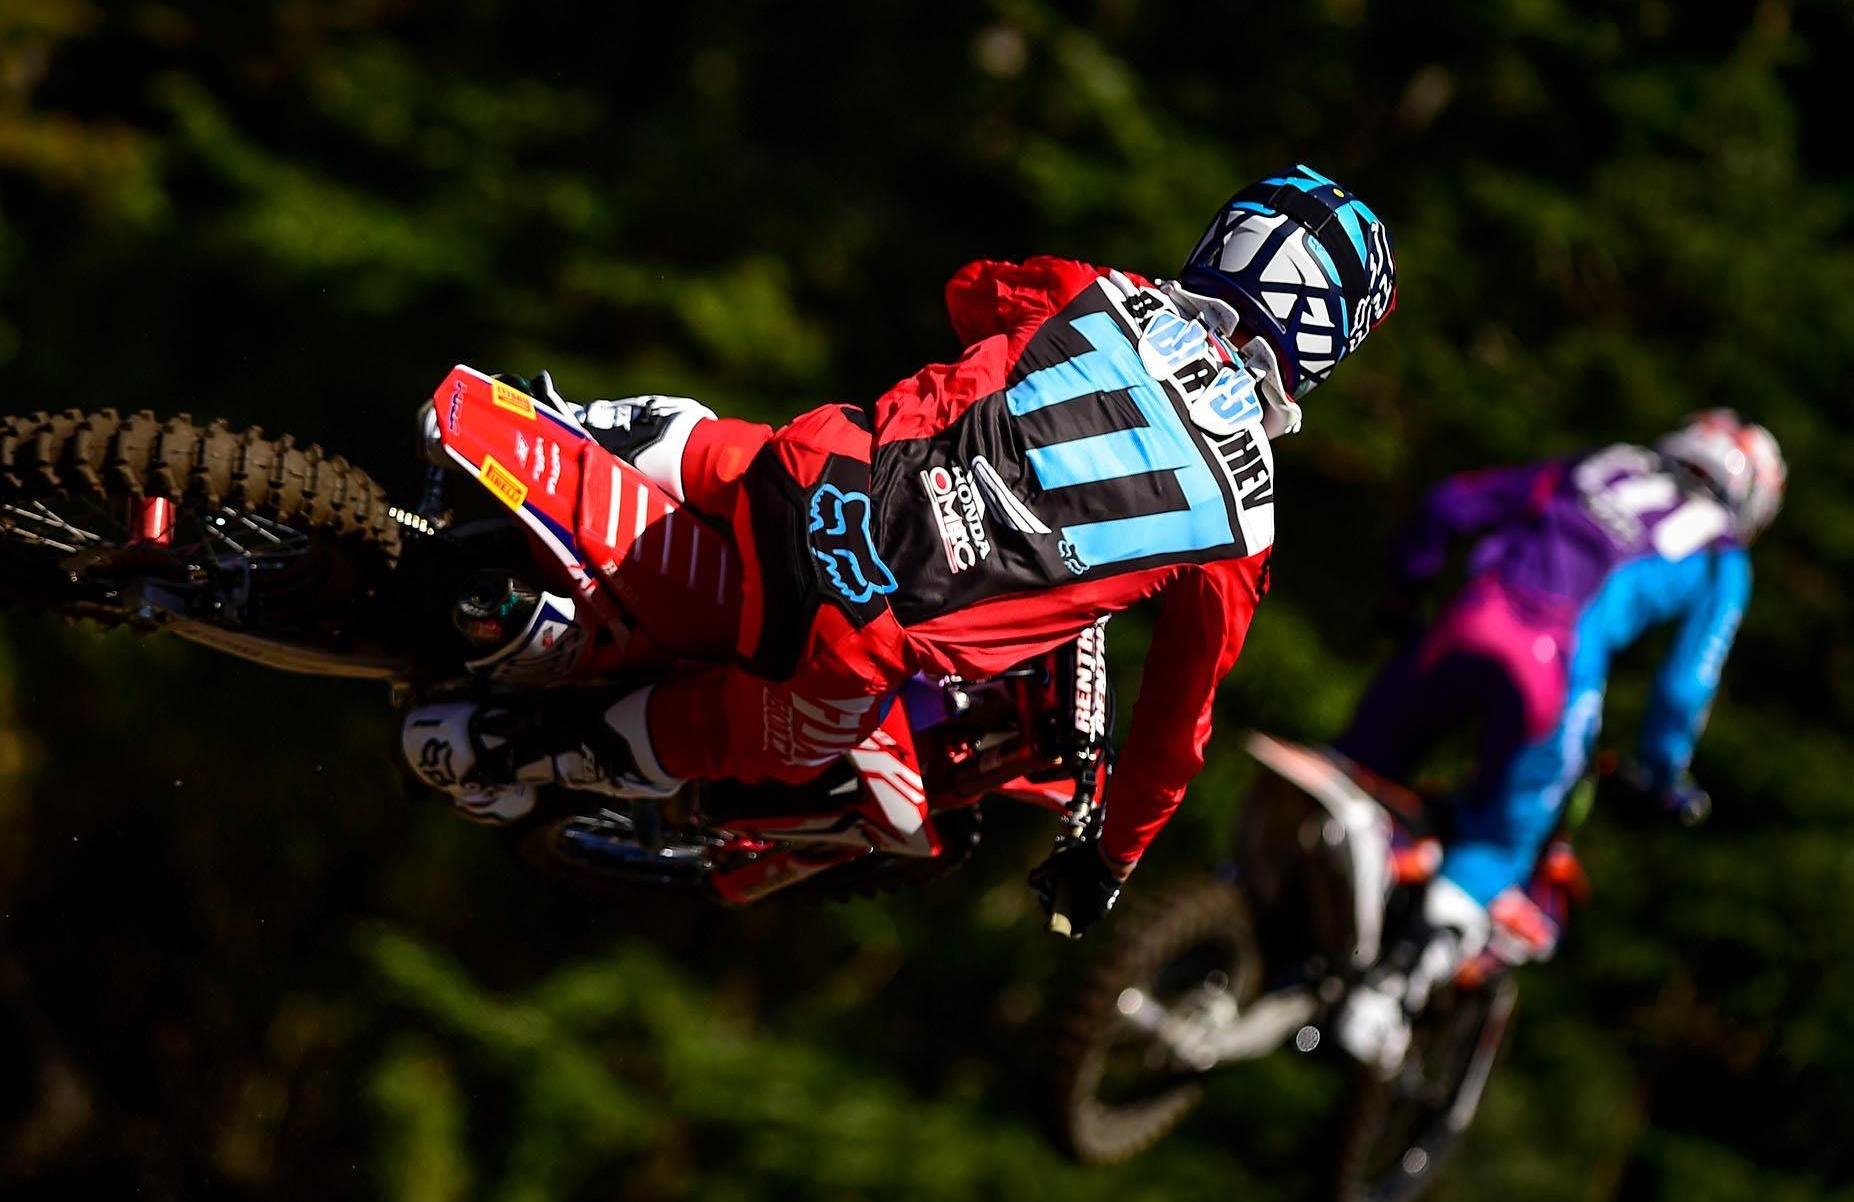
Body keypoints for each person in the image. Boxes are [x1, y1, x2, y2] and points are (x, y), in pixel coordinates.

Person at [404, 165, 1397, 935]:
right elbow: (1176, 726)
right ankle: (526, 751)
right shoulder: (1244, 522)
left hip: (807, 478)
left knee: (711, 438)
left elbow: (970, 292)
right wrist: (1110, 860)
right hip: (859, 637)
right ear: (1327, 341)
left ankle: (561, 423)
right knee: (744, 736)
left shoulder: (1097, 290)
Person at [1333, 411, 1785, 1068]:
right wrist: (1664, 773)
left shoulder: (1605, 463)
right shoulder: (1723, 556)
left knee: (1359, 766)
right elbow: (1686, 686)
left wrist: (1404, 595)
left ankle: (1254, 879)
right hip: (1554, 668)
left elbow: (1451, 502)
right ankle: (1384, 996)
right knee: (1503, 840)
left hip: (1468, 618)